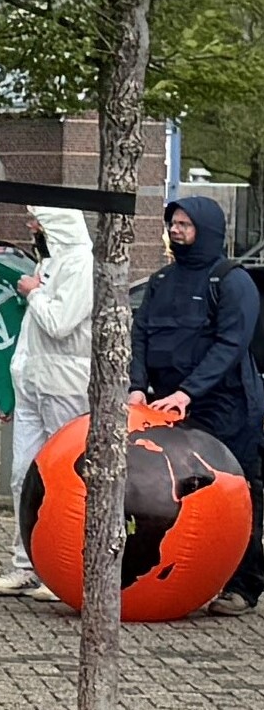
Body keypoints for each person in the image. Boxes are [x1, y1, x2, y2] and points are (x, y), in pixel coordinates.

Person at [130, 196, 264, 616]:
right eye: (173, 223)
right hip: (168, 407)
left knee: (238, 492)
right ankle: (189, 574)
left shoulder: (231, 281)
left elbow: (231, 345)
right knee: (180, 493)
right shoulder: (161, 280)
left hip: (227, 408)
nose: (176, 230)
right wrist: (136, 387)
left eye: (185, 224)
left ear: (206, 229)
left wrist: (189, 391)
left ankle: (245, 584)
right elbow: (140, 334)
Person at [0, 206, 93, 602]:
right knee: (22, 477)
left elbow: (61, 323)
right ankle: (25, 564)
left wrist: (33, 293)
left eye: (38, 222)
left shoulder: (81, 265)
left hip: (66, 386)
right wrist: (10, 387)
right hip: (31, 384)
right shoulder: (47, 264)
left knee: (62, 479)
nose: (31, 228)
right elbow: (28, 339)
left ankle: (61, 568)